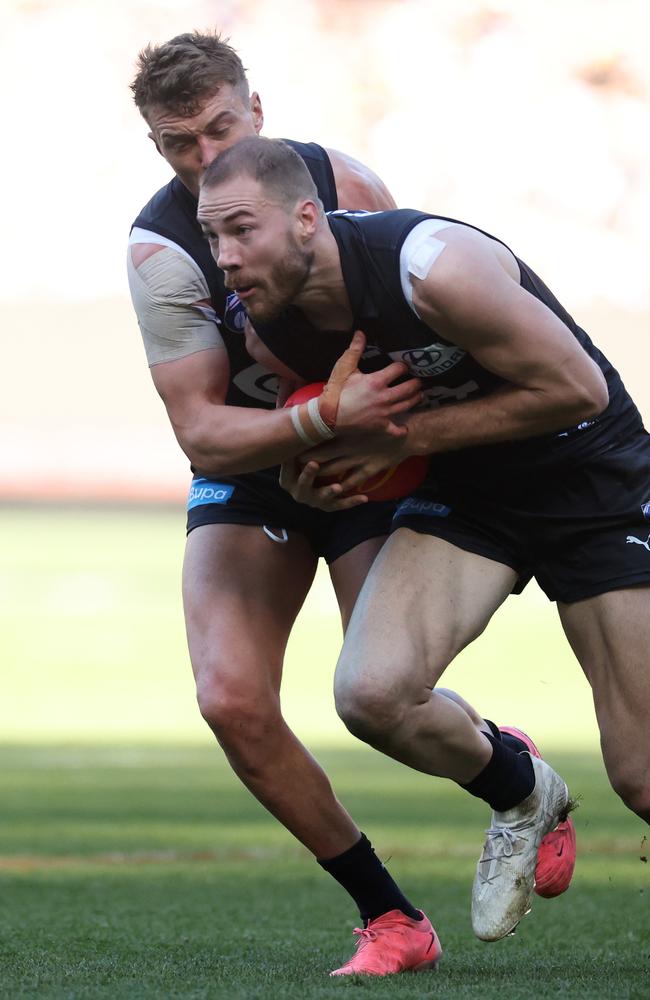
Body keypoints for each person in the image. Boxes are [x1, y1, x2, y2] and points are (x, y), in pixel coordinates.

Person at [128, 31, 567, 976]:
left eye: (219, 129)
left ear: (257, 111)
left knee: (380, 687)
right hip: (262, 464)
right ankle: (393, 919)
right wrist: (315, 421)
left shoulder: (348, 186)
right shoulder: (162, 252)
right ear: (157, 150)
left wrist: (356, 437)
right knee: (231, 701)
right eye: (179, 146)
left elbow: (422, 340)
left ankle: (512, 775)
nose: (206, 162)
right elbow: (204, 433)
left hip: (372, 451)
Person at [196, 134, 650, 944]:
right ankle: (524, 794)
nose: (225, 258)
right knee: (369, 694)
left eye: (241, 231)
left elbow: (576, 388)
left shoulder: (431, 267)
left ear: (308, 219)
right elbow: (333, 449)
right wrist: (317, 477)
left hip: (590, 479)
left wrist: (402, 440)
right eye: (212, 237)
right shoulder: (271, 324)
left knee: (643, 777)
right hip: (467, 492)